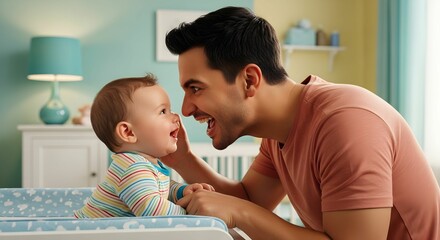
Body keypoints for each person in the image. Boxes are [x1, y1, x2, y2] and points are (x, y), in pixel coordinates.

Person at [161, 6, 440, 240]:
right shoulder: (278, 133)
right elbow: (250, 200)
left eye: (195, 88)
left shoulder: (345, 122)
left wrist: (240, 212)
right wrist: (183, 159)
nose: (185, 109)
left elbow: (244, 208)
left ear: (249, 80)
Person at [74, 75, 214, 218]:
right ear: (128, 132)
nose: (176, 117)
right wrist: (191, 213)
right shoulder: (131, 169)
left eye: (170, 110)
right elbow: (153, 211)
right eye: (162, 111)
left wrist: (181, 191)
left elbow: (160, 189)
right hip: (86, 233)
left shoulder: (142, 164)